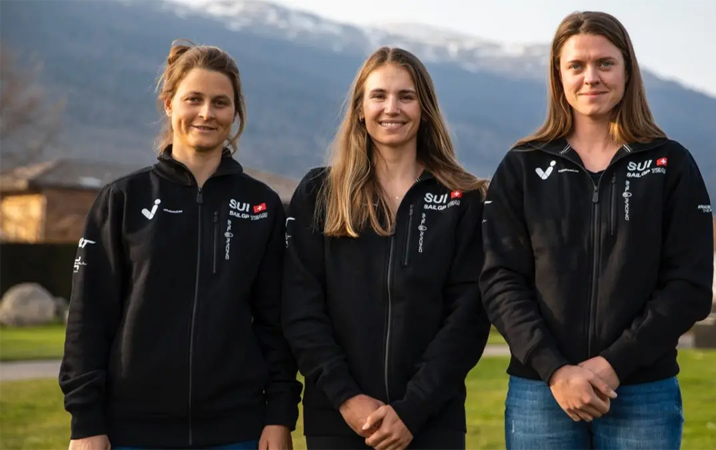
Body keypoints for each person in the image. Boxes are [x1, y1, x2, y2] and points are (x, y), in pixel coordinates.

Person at [479, 11, 713, 450]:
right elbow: (499, 280)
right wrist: (554, 369)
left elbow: (690, 285)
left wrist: (614, 365)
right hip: (541, 391)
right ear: (558, 76)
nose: (592, 77)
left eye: (605, 63)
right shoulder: (522, 166)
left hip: (642, 390)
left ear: (627, 71)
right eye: (576, 65)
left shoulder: (670, 163)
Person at [59, 40, 301, 449]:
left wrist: (279, 417)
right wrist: (85, 422)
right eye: (194, 99)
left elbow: (276, 323)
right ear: (169, 104)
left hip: (236, 431)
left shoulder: (262, 206)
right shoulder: (123, 199)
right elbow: (88, 318)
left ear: (235, 113)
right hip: (132, 431)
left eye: (220, 103)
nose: (206, 113)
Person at [282, 46, 490, 450]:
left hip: (433, 421)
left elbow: (468, 316)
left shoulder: (462, 199)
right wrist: (346, 397)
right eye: (378, 95)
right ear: (360, 109)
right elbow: (301, 308)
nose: (391, 108)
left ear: (424, 109)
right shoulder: (320, 193)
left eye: (405, 96)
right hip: (339, 421)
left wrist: (414, 408)